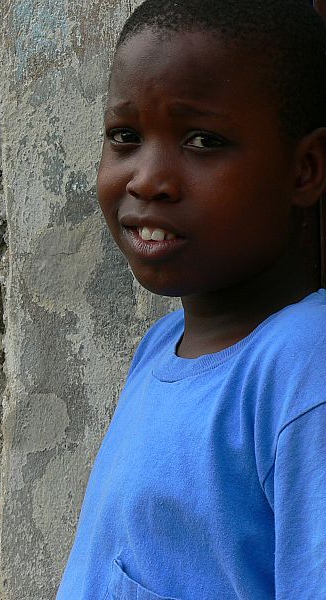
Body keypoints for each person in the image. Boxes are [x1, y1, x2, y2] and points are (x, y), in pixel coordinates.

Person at [56, 1, 326, 598]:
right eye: (125, 137)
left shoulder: (304, 371)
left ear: (305, 169)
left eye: (203, 140)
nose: (148, 179)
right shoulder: (160, 347)